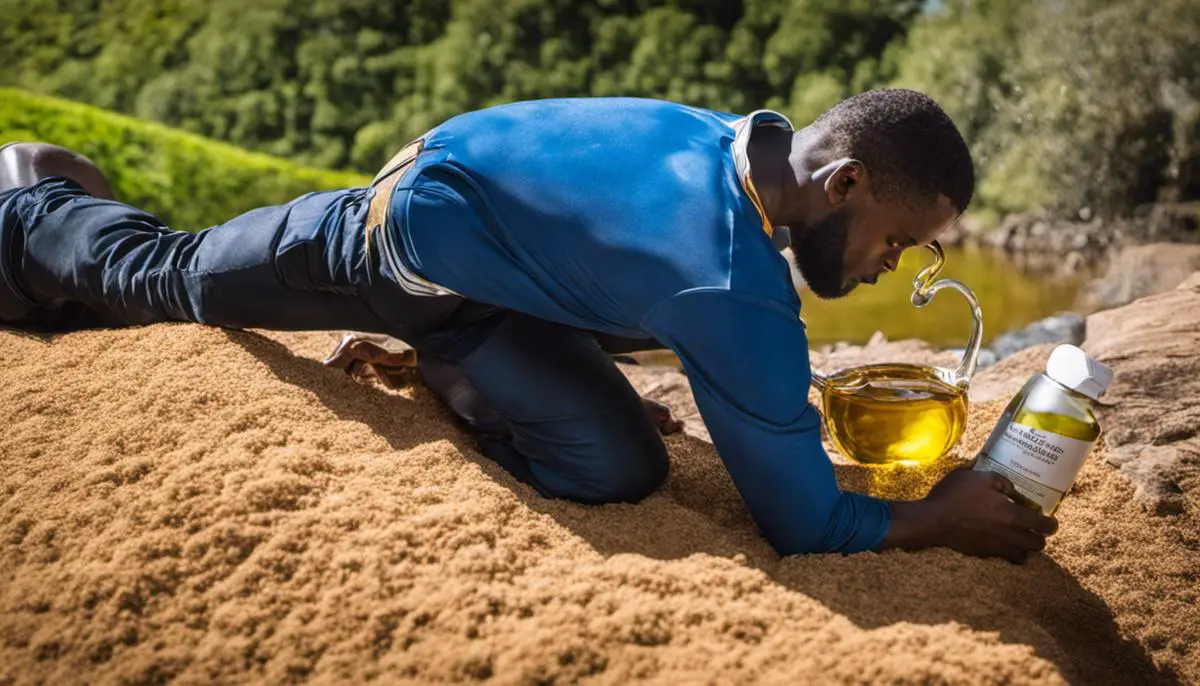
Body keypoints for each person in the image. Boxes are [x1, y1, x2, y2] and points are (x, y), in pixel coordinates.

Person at [0, 89, 1056, 562]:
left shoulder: (738, 141)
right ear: (848, 180)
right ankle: (33, 200)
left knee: (619, 464)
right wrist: (936, 514)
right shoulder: (730, 278)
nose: (895, 266)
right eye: (903, 239)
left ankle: (449, 370)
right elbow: (808, 524)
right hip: (375, 238)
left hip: (491, 297)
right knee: (171, 273)